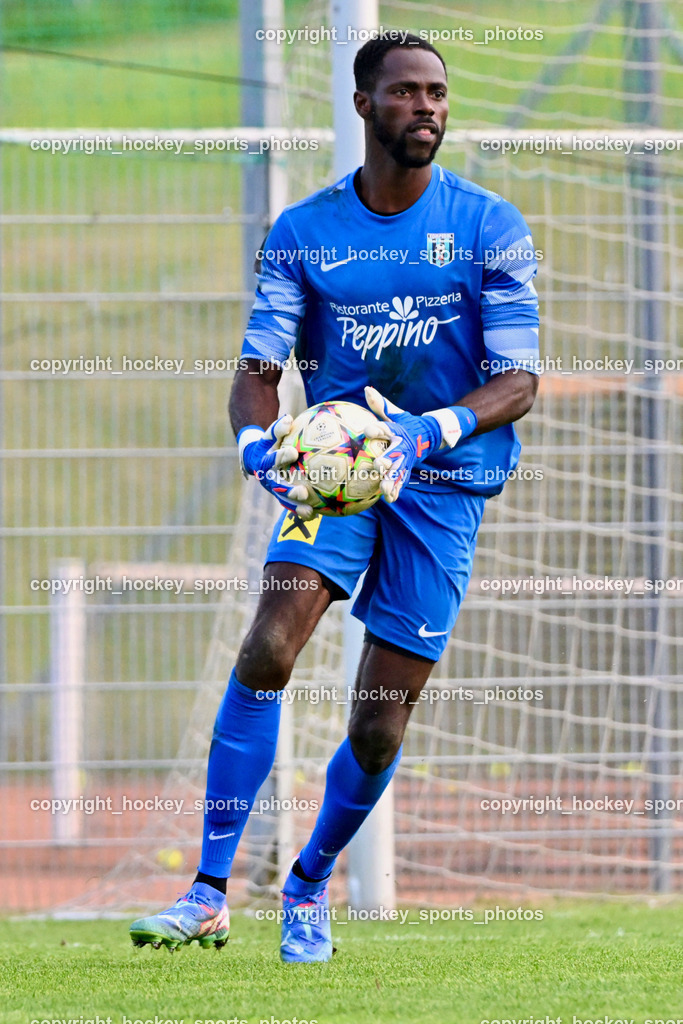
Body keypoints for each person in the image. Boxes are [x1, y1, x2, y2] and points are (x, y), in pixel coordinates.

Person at [130, 32, 540, 962]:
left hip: (444, 481)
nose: (427, 107)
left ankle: (309, 884)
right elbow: (257, 372)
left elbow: (518, 382)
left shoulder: (489, 226)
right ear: (364, 107)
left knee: (379, 720)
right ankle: (206, 891)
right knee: (270, 646)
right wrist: (253, 443)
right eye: (406, 93)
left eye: (437, 92)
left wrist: (425, 431)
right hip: (336, 475)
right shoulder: (303, 231)